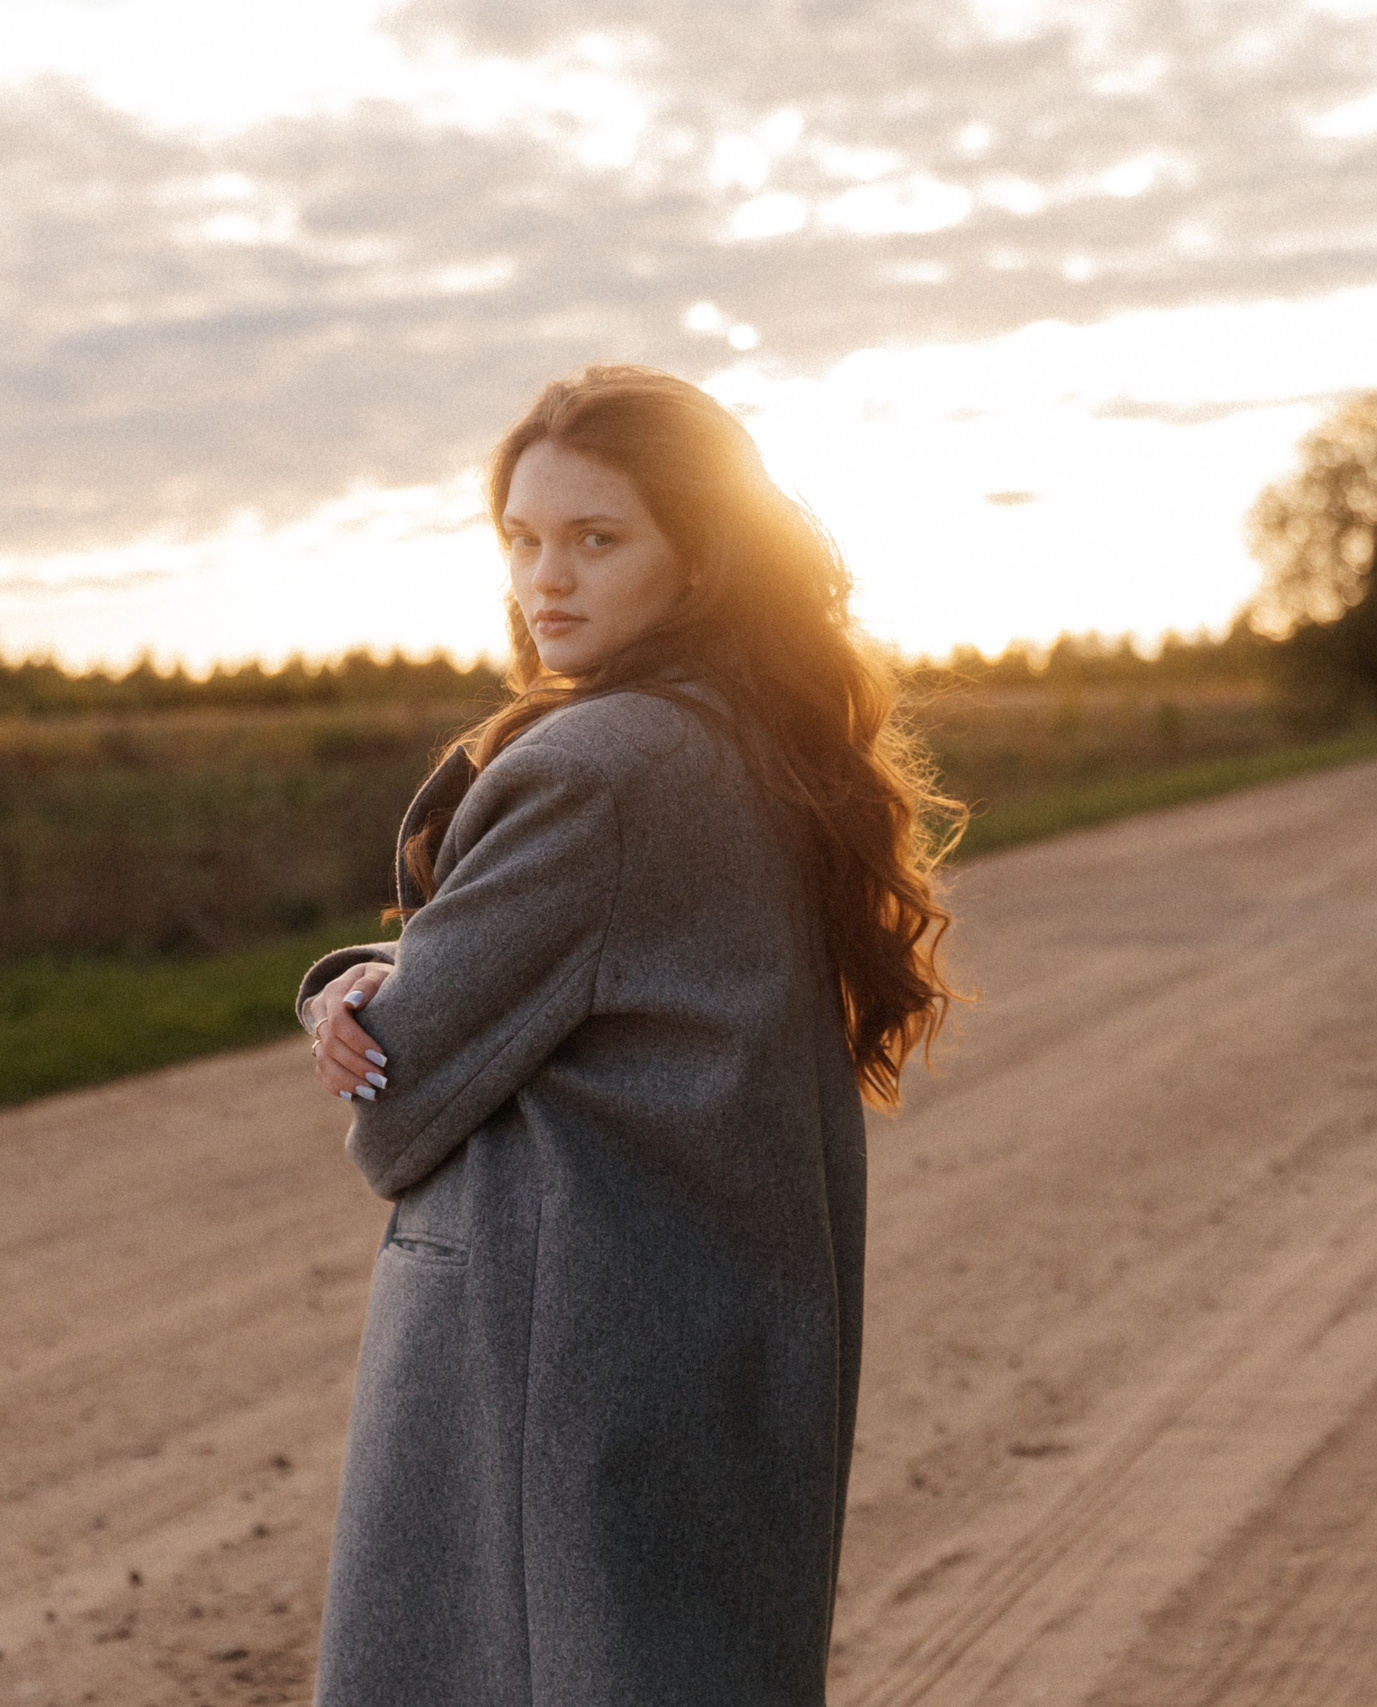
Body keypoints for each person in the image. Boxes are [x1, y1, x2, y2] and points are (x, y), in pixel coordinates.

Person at [292, 363, 959, 1705]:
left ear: (699, 556)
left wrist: (358, 993)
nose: (550, 578)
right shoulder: (746, 737)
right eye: (526, 539)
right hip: (693, 1341)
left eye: (599, 539)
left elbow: (403, 1094)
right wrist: (380, 971)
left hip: (563, 1365)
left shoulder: (600, 767)